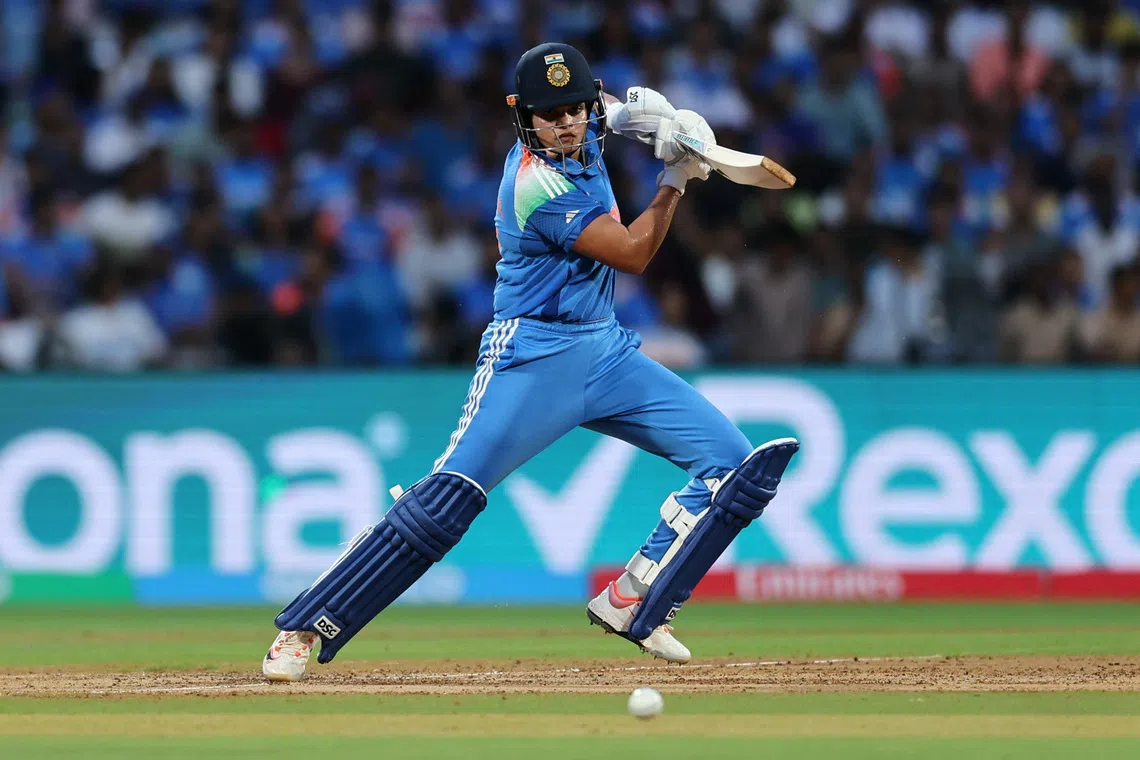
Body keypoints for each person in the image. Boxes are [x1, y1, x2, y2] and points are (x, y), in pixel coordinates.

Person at [261, 43, 799, 681]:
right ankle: (303, 626)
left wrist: (664, 119)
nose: (567, 124)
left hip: (606, 349)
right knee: (446, 502)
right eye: (551, 116)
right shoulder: (533, 182)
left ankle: (635, 600)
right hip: (531, 358)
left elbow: (624, 112)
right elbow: (629, 253)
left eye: (576, 109)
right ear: (524, 118)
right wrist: (676, 177)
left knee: (736, 467)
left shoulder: (584, 121)